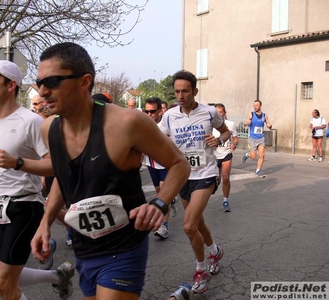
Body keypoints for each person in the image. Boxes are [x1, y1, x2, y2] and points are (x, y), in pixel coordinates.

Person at [31, 42, 190, 299]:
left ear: (85, 82)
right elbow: (65, 176)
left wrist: (160, 203)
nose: (42, 91)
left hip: (124, 247)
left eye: (52, 81)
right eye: (39, 82)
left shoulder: (127, 123)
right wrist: (45, 223)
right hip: (84, 249)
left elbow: (179, 163)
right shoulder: (48, 128)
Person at [0, 60, 75, 300]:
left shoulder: (30, 121)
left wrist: (18, 162)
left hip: (24, 206)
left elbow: (55, 165)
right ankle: (58, 277)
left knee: (3, 283)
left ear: (11, 85)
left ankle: (58, 277)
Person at [158, 70, 231, 294]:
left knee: (189, 225)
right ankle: (215, 250)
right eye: (177, 91)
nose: (180, 95)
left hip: (206, 174)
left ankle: (200, 270)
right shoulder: (170, 116)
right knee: (198, 223)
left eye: (185, 91)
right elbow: (159, 137)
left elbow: (226, 132)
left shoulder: (209, 113)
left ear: (194, 91)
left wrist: (218, 139)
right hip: (183, 176)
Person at [143, 97, 178, 240]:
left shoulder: (167, 123)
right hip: (151, 164)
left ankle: (164, 226)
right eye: (147, 111)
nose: (149, 114)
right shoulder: (142, 124)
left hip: (165, 163)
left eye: (152, 111)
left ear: (159, 110)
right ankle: (172, 200)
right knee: (159, 192)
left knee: (163, 193)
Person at [213, 103, 239, 212]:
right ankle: (214, 185)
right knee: (217, 180)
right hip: (214, 156)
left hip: (226, 154)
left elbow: (236, 138)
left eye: (221, 112)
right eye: (216, 113)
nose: (219, 114)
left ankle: (225, 201)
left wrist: (234, 144)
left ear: (224, 113)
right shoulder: (210, 125)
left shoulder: (230, 124)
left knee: (226, 177)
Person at [241, 100, 272, 177]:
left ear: (260, 106)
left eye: (256, 105)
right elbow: (245, 123)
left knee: (262, 155)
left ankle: (258, 170)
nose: (255, 107)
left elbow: (268, 124)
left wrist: (269, 125)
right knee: (254, 156)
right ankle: (247, 154)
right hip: (252, 138)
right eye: (254, 105)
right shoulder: (251, 114)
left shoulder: (264, 115)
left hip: (261, 138)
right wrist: (248, 122)